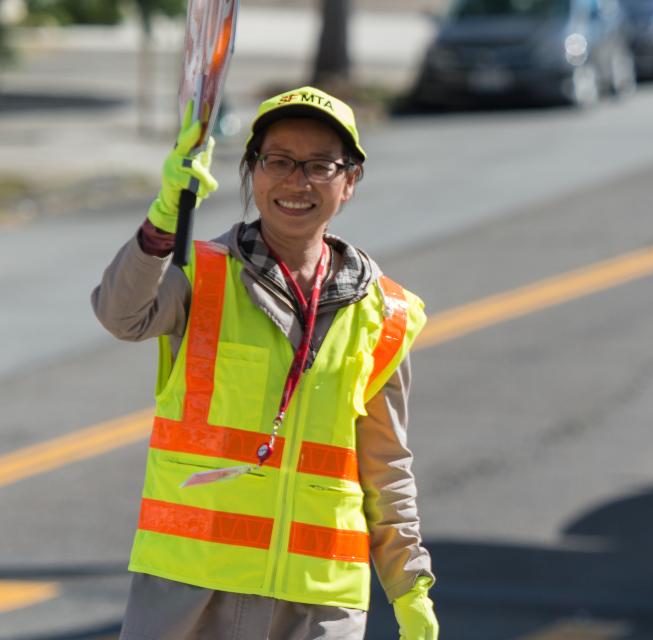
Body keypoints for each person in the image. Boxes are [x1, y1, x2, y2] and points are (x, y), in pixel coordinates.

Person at [91, 86, 439, 640]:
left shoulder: (386, 314)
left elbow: (386, 467)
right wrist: (161, 223)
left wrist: (409, 584)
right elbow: (120, 315)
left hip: (318, 601)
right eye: (278, 161)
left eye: (320, 165)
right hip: (189, 591)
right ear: (251, 172)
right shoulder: (200, 274)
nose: (296, 181)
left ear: (350, 182)